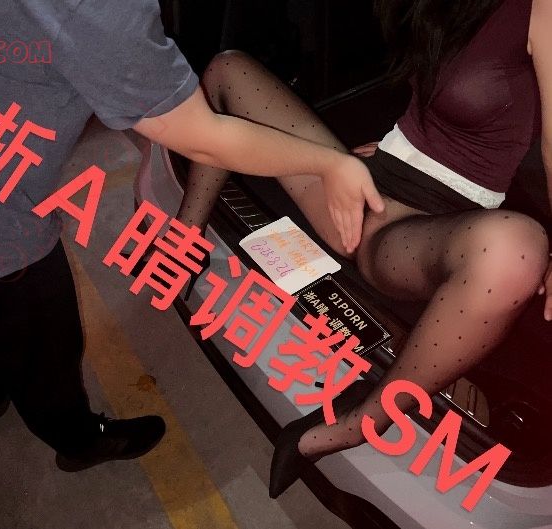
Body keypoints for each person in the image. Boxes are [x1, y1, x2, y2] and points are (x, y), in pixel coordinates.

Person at [0, 0, 376, 472]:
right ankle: (78, 443)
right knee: (45, 349)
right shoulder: (92, 10)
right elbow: (201, 137)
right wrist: (329, 164)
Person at [164, 0, 552, 496]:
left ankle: (356, 424)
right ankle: (182, 244)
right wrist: (386, 148)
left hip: (424, 230)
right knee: (227, 72)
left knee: (515, 250)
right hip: (363, 181)